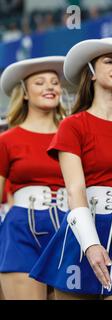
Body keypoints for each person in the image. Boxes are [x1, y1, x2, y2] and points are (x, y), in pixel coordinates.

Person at [29, 38, 112, 300]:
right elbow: (75, 190)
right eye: (108, 61)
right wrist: (90, 244)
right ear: (92, 73)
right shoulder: (73, 126)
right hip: (82, 231)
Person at [0, 56, 68, 299]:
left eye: (54, 82)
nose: (49, 87)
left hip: (69, 227)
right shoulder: (7, 140)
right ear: (25, 93)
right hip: (21, 232)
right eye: (39, 82)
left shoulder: (74, 136)